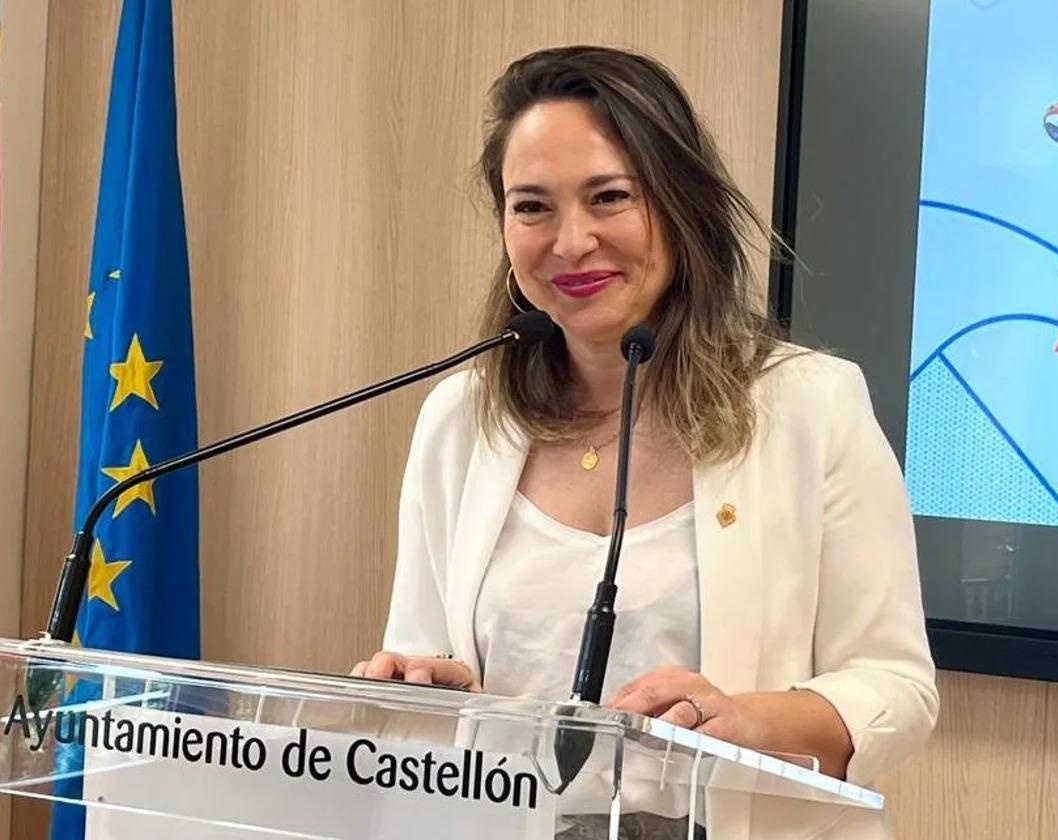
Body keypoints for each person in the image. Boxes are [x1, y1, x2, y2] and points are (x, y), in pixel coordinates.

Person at [352, 45, 938, 839]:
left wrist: (745, 718)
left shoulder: (809, 405)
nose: (570, 242)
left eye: (609, 197)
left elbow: (898, 688)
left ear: (680, 204)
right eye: (532, 207)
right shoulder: (463, 417)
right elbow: (425, 661)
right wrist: (435, 686)